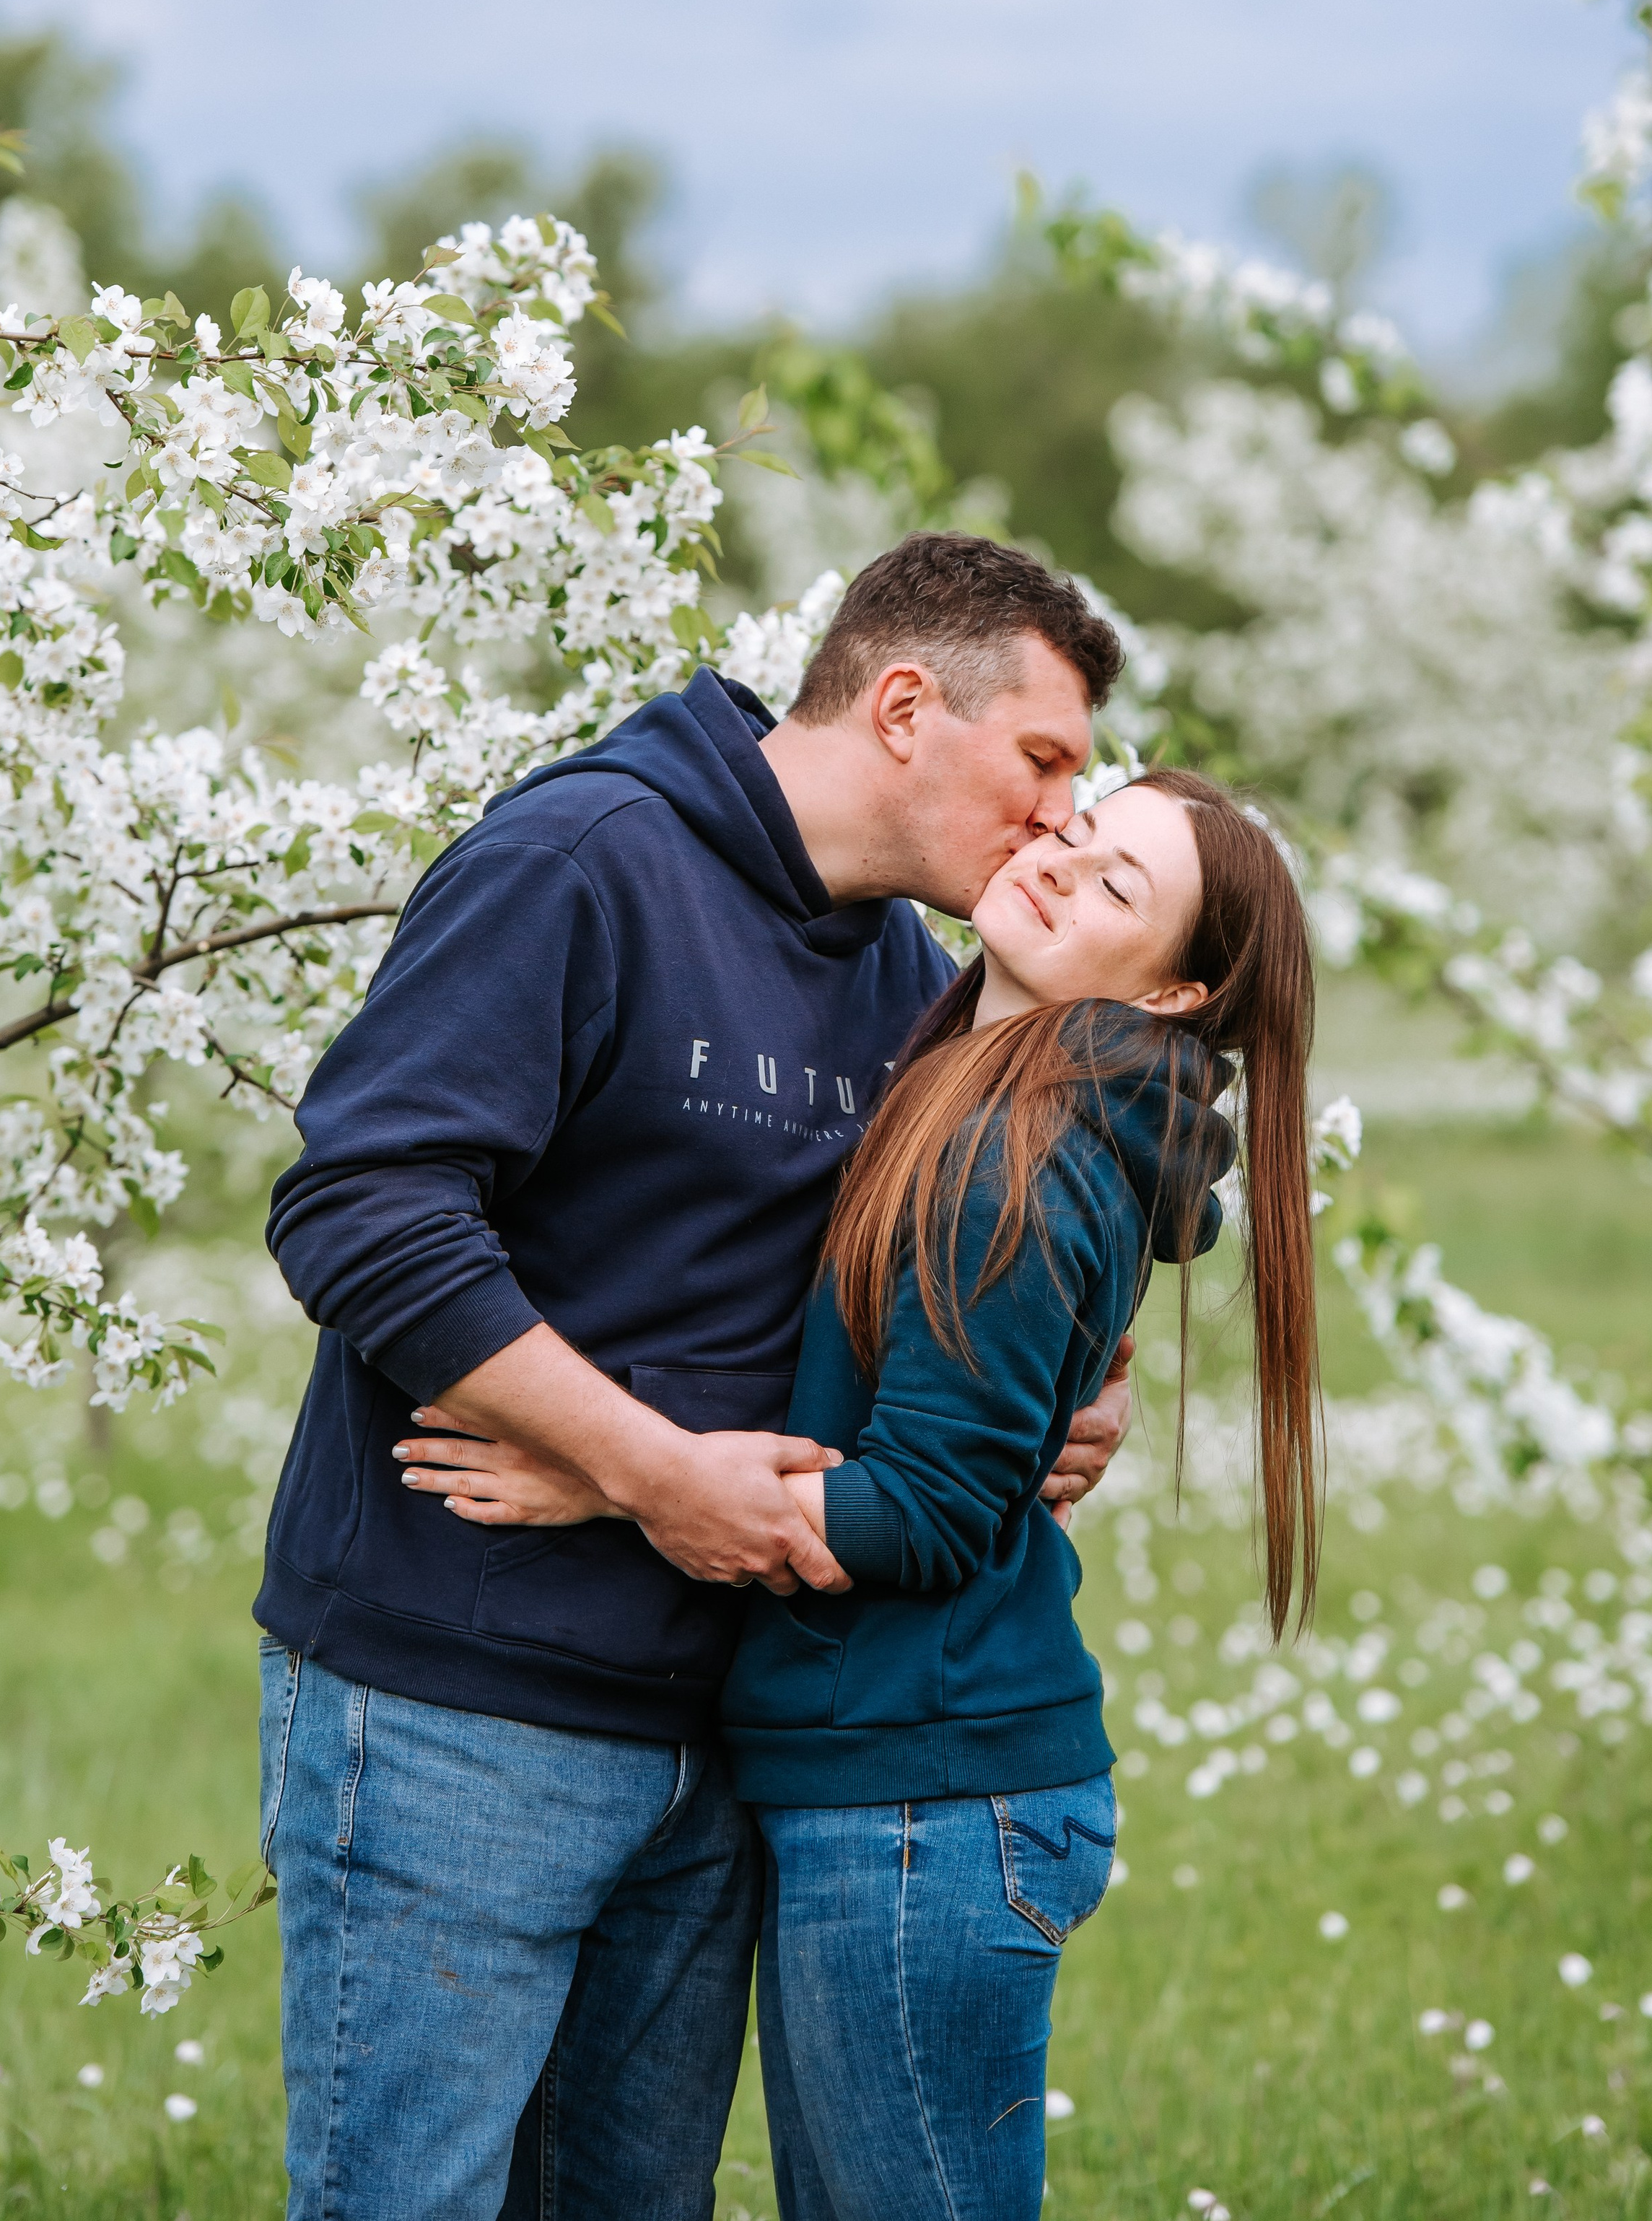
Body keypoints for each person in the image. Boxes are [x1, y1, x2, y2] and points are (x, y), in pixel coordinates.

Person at [255, 533, 1141, 2221]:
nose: (1058, 818)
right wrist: (650, 1465)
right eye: (1041, 760)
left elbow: (970, 1259)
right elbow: (359, 1206)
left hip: (725, 1734)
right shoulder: (582, 860)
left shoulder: (905, 975)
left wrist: (1060, 1395)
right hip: (462, 1699)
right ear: (902, 705)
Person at [411, 765, 1324, 2221]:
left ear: (1171, 992)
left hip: (924, 1794)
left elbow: (927, 1512)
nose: (1057, 861)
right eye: (1077, 832)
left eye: (1115, 888)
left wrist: (614, 1482)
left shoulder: (1009, 1156)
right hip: (895, 1780)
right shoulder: (977, 1082)